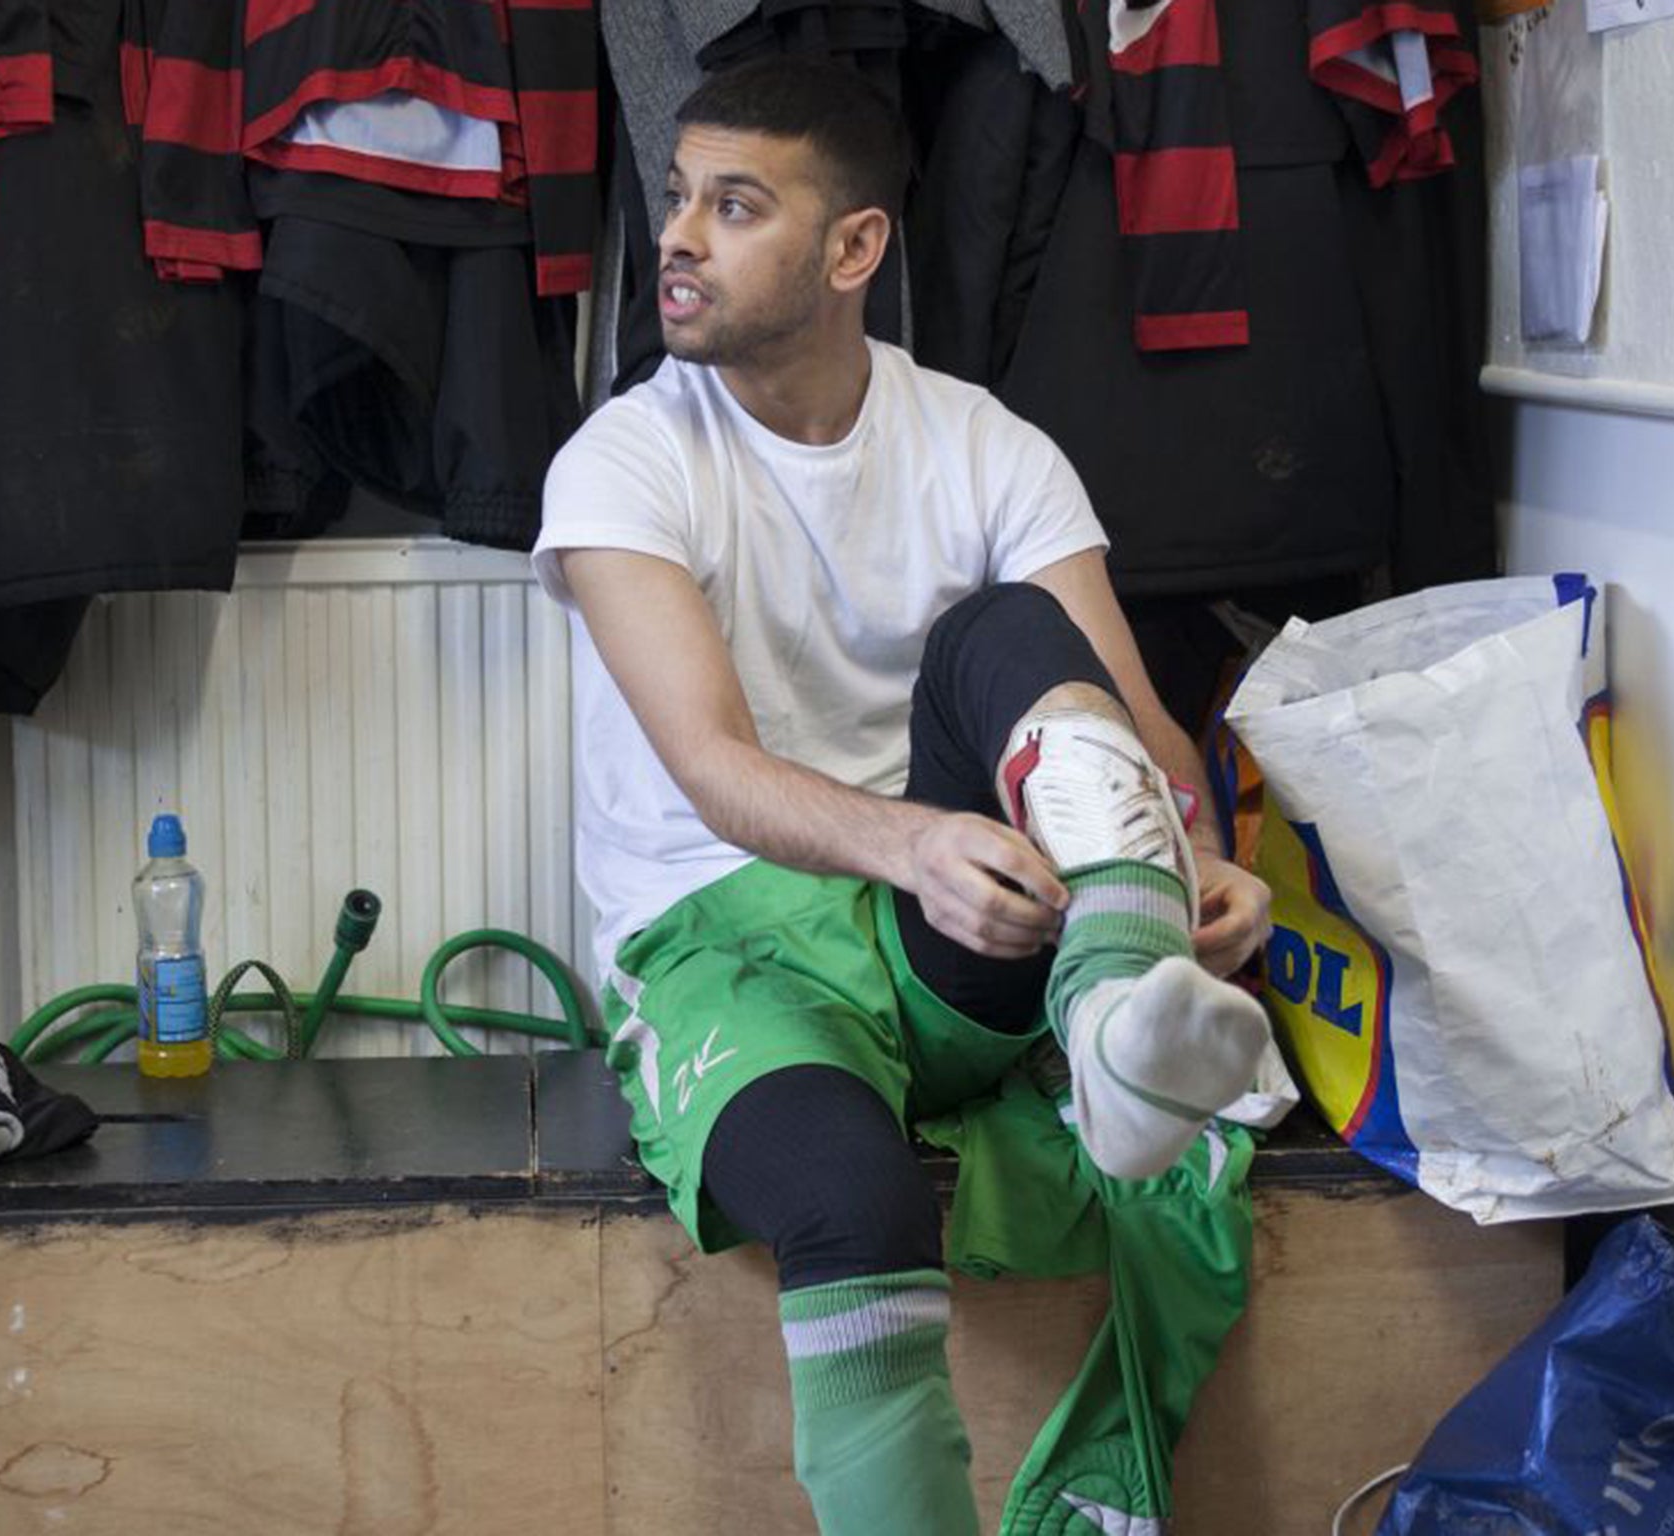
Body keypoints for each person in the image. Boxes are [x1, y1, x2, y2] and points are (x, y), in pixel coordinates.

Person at [530, 57, 1276, 1536]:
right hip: (726, 951)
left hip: (960, 946)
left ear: (853, 248)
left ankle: (1125, 1015)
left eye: (733, 206)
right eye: (678, 197)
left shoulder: (988, 446)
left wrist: (1200, 856)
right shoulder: (624, 457)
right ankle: (1111, 1013)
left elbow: (1136, 734)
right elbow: (716, 773)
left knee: (1001, 635)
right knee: (851, 1203)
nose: (676, 236)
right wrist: (921, 844)